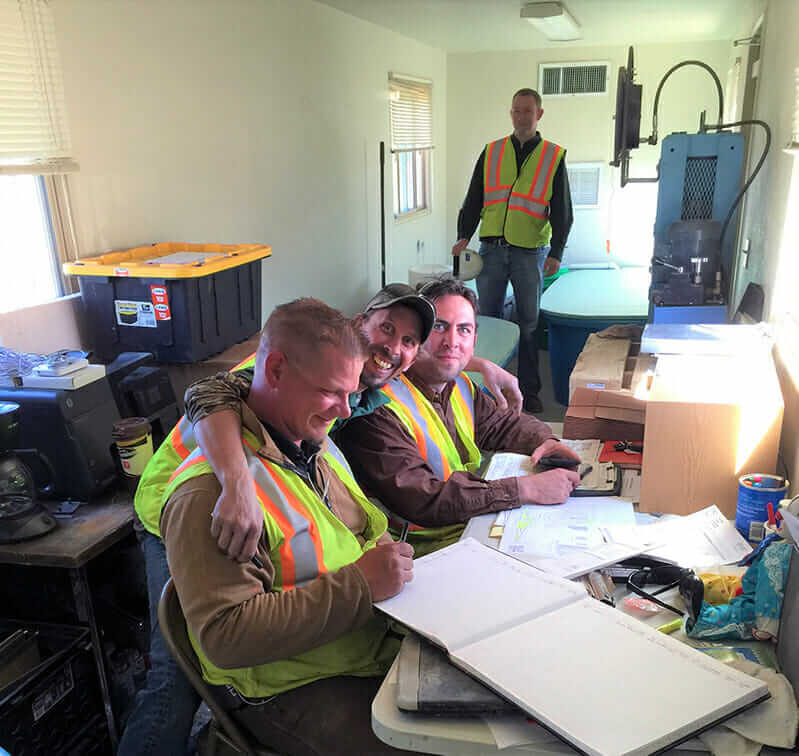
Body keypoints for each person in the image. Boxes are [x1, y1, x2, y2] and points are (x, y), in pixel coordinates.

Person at [119, 282, 514, 755]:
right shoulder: (244, 427)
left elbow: (336, 535)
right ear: (358, 326)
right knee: (173, 681)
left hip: (338, 639)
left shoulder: (318, 425)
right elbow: (208, 393)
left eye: (410, 341)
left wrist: (480, 364)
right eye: (386, 330)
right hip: (192, 505)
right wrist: (235, 481)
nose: (394, 348)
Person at [144, 298, 415, 754]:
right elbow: (227, 636)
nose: (344, 410)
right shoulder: (213, 494)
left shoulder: (311, 443)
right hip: (288, 683)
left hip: (352, 648)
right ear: (275, 370)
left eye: (349, 393)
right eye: (331, 392)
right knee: (168, 687)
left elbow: (363, 528)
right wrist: (362, 586)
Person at [335, 277, 581, 556]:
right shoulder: (374, 405)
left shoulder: (460, 385)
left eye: (463, 330)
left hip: (468, 526)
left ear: (474, 340)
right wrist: (525, 490)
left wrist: (544, 441)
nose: (452, 341)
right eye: (440, 327)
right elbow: (422, 498)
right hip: (422, 552)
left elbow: (503, 424)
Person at [451, 87, 573, 414]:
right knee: (487, 321)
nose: (522, 116)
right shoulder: (492, 152)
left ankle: (529, 391)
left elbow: (562, 210)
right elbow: (474, 197)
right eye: (517, 110)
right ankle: (487, 393)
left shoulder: (552, 156)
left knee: (528, 323)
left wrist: (556, 252)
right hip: (490, 250)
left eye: (528, 111)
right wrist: (464, 235)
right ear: (511, 113)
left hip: (529, 252)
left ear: (539, 114)